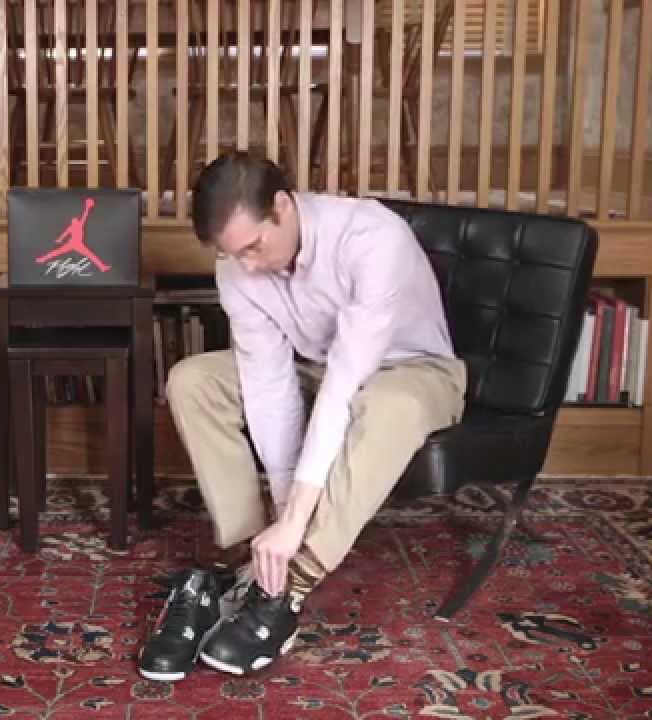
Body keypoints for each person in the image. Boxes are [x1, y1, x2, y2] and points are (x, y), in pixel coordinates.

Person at [137, 151, 467, 682]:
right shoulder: (237, 265)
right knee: (193, 380)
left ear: (283, 206)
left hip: (411, 370)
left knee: (387, 406)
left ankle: (287, 587)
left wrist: (296, 522)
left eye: (254, 247)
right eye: (232, 254)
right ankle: (253, 559)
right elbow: (268, 383)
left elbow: (345, 384)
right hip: (314, 365)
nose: (247, 266)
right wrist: (283, 508)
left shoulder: (373, 238)